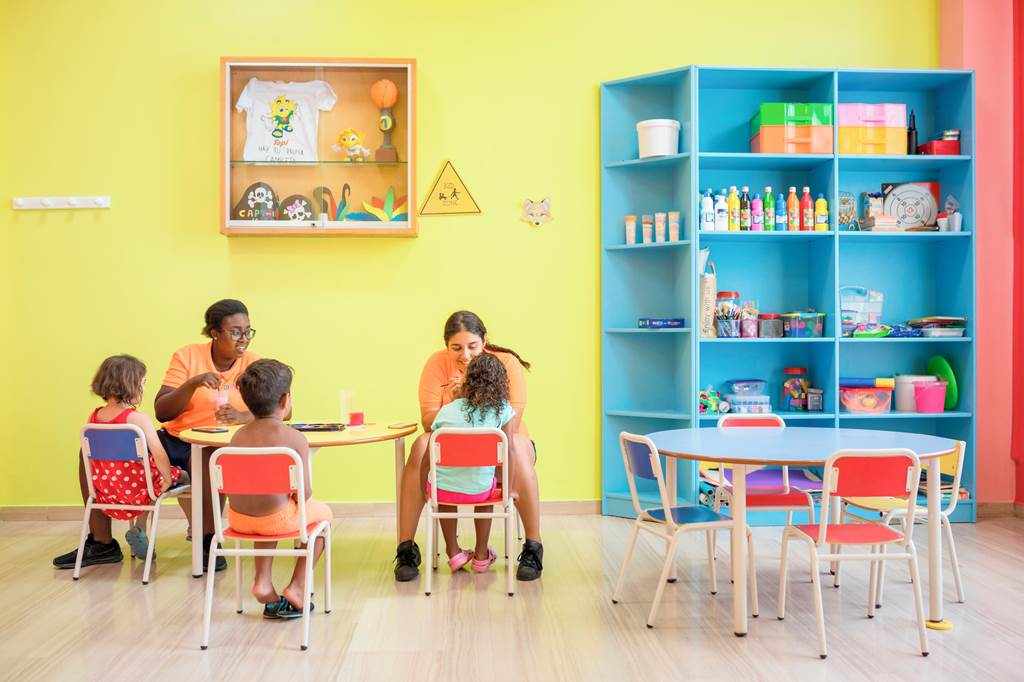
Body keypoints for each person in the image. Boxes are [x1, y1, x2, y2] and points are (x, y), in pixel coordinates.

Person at [394, 310, 543, 582]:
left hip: (502, 442)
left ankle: (533, 547)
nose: (465, 355)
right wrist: (455, 401)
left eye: (472, 346)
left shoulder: (505, 363)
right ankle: (406, 549)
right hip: (452, 444)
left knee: (518, 447)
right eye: (456, 348)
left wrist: (465, 395)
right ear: (446, 346)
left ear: (484, 341)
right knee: (421, 446)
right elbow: (428, 422)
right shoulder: (436, 364)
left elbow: (511, 422)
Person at [153, 298, 260, 571]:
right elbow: (162, 411)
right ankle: (100, 541)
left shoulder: (253, 364)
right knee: (95, 449)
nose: (244, 338)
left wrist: (243, 417)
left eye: (247, 331)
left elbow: (281, 410)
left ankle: (208, 540)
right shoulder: (187, 356)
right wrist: (193, 383)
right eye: (235, 332)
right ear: (215, 333)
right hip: (175, 440)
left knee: (206, 458)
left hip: (218, 445)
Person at [52, 355, 187, 569]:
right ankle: (143, 527)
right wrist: (169, 478)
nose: (144, 387)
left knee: (148, 477)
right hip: (139, 489)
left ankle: (140, 530)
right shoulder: (138, 419)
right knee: (175, 477)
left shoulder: (94, 418)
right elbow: (159, 454)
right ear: (132, 385)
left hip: (108, 490)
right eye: (143, 382)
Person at [227, 359, 332, 618]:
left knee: (270, 506)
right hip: (274, 520)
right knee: (323, 517)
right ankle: (298, 586)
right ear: (285, 401)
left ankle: (262, 581)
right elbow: (304, 494)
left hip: (238, 520)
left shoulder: (237, 437)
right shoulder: (294, 438)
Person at [429, 353, 518, 573]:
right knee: (486, 488)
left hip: (444, 491)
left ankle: (454, 552)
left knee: (444, 489)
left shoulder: (447, 410)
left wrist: (425, 482)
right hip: (479, 491)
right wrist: (509, 489)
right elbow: (510, 450)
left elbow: (430, 451)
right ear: (501, 383)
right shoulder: (503, 409)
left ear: (467, 380)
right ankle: (481, 554)